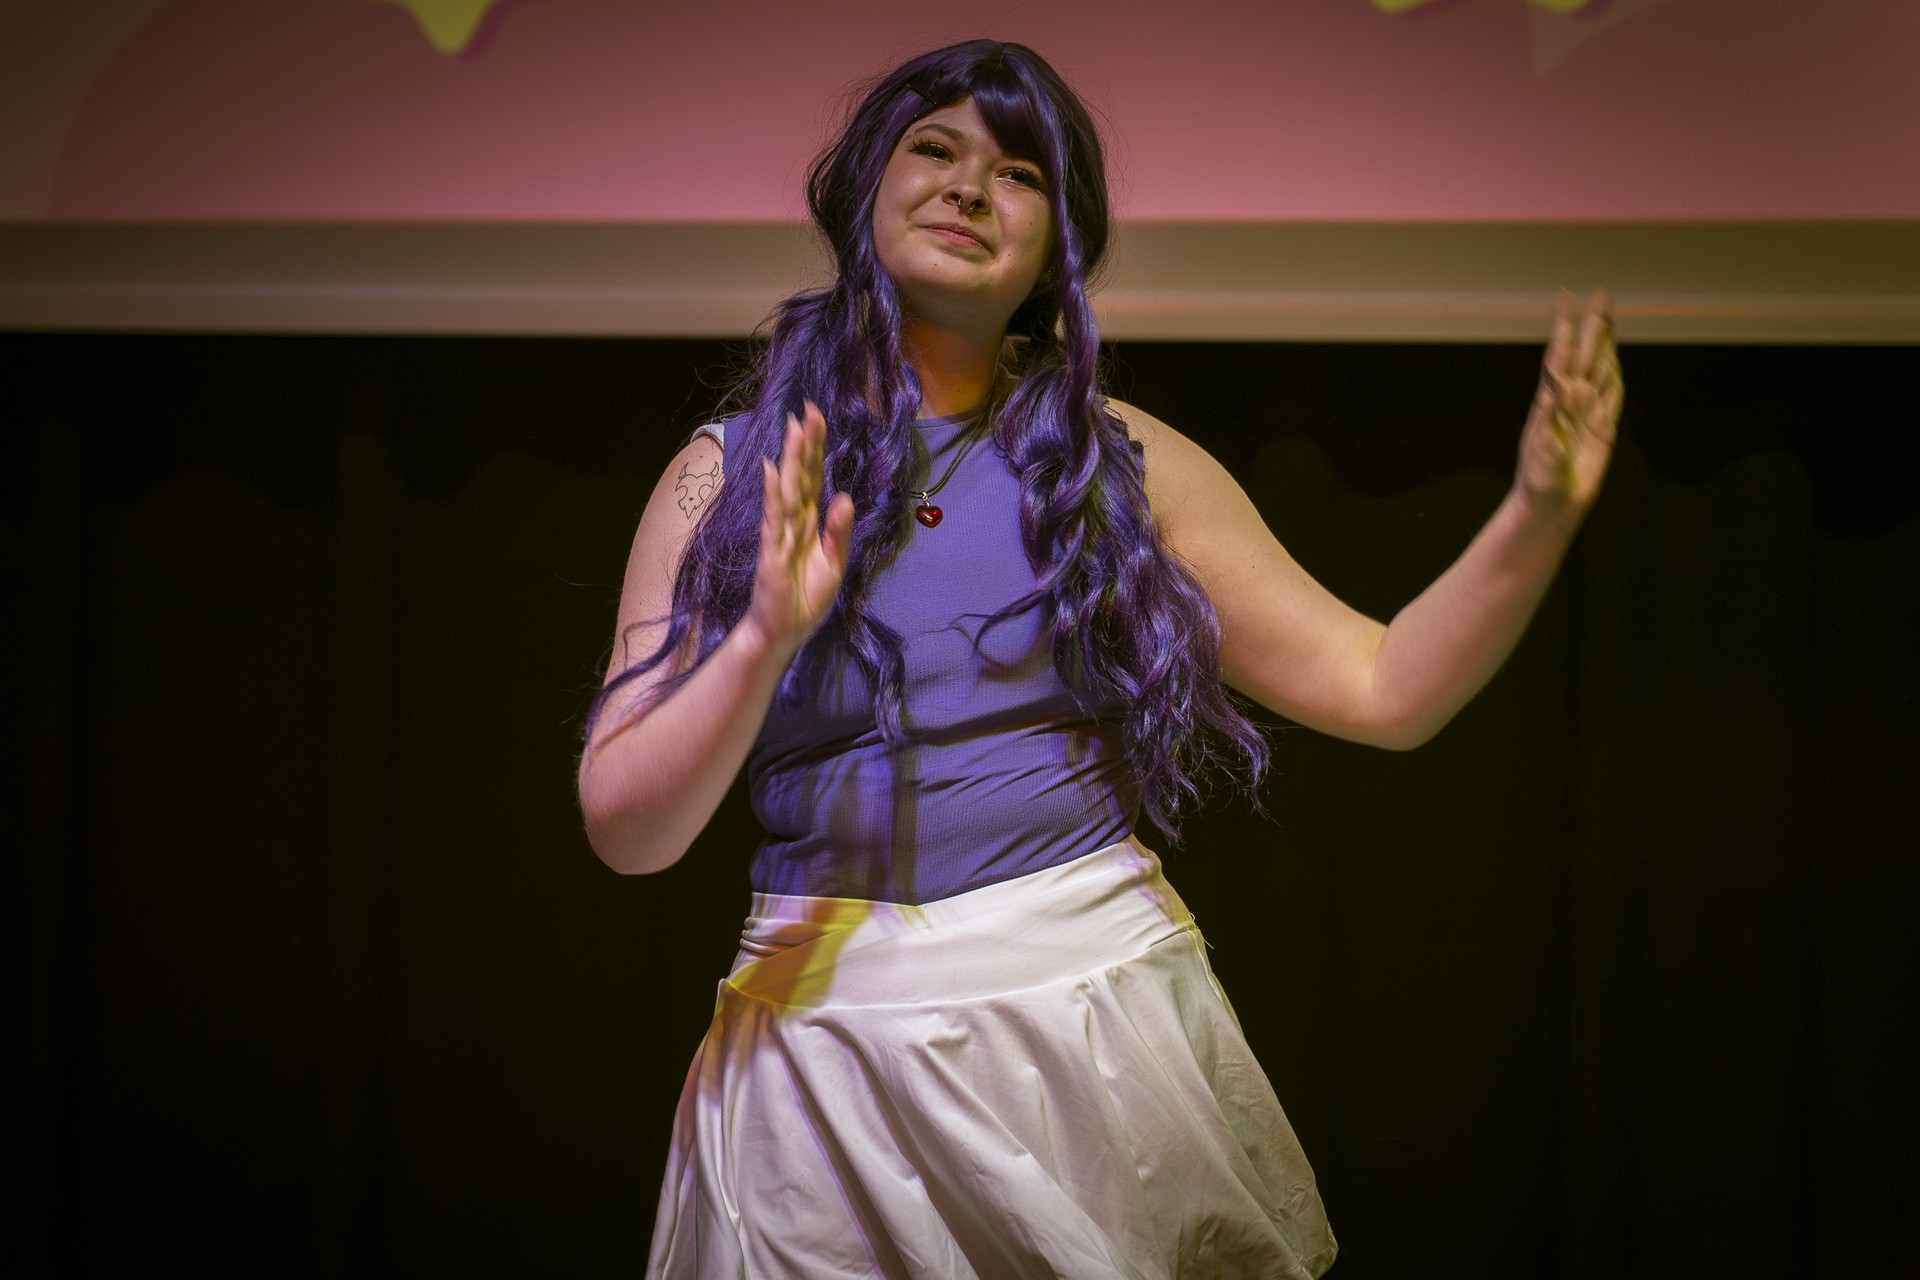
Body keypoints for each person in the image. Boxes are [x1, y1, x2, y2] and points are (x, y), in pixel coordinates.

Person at [578, 38, 1621, 1280]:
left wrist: (1534, 515)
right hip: (815, 1054)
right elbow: (626, 829)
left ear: (1057, 249)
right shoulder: (721, 477)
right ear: (862, 188)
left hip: (1081, 1028)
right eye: (934, 148)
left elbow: (1384, 686)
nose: (971, 188)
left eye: (1018, 173)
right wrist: (761, 639)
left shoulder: (1122, 465)